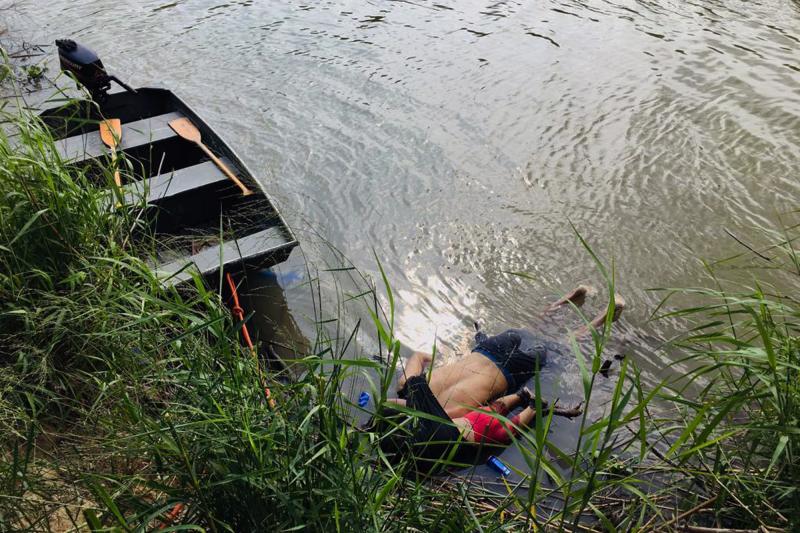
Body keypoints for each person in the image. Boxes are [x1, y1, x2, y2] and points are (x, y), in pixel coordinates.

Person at [390, 286, 625, 419]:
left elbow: (489, 409)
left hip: (508, 372)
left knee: (563, 344)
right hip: (488, 350)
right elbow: (419, 356)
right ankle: (577, 294)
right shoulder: (408, 383)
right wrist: (446, 360)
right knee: (534, 327)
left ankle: (606, 316)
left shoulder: (444, 416)